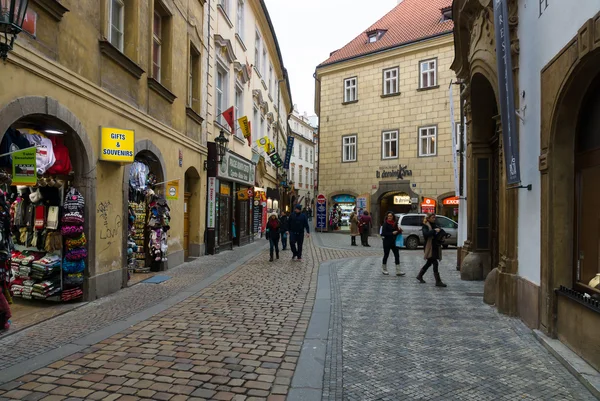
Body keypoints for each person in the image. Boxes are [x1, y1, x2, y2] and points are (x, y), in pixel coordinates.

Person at [416, 213, 447, 287]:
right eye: (432, 217)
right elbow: (426, 234)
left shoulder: (435, 225)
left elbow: (439, 233)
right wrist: (434, 231)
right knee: (435, 262)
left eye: (434, 217)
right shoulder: (426, 226)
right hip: (429, 247)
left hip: (435, 246)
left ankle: (420, 276)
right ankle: (438, 281)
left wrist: (444, 234)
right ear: (428, 218)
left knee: (429, 262)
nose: (434, 219)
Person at [380, 212, 405, 276]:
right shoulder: (385, 224)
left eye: (391, 216)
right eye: (388, 216)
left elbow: (397, 231)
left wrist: (399, 231)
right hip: (387, 242)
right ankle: (384, 269)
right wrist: (392, 233)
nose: (389, 217)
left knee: (397, 255)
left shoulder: (395, 223)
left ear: (393, 217)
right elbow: (383, 233)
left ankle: (398, 270)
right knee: (386, 255)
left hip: (394, 242)